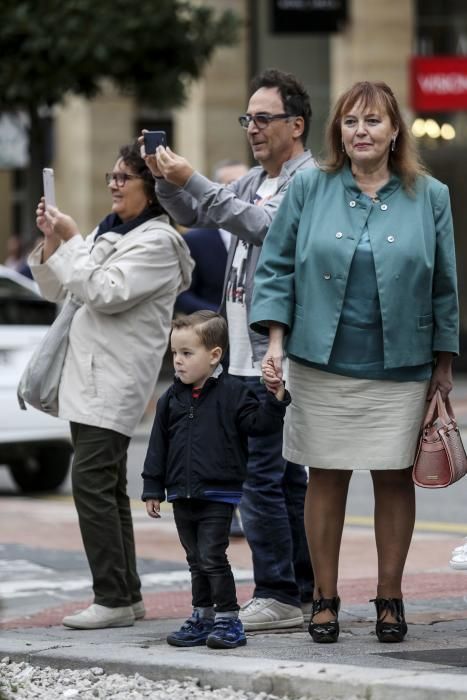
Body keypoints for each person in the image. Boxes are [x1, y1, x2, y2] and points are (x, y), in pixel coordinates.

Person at [250, 80, 459, 644]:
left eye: (373, 121)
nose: (361, 131)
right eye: (350, 121)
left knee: (395, 479)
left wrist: (443, 365)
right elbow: (276, 269)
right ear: (338, 130)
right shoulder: (310, 188)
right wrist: (274, 343)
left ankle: (390, 597)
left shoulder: (430, 195)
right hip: (320, 359)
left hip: (403, 362)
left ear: (395, 131)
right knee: (326, 477)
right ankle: (323, 597)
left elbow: (444, 285)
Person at [141, 68, 316, 631]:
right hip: (238, 352)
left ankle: (278, 592)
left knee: (261, 479)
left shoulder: (308, 180)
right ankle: (300, 588)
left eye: (264, 118)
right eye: (248, 118)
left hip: (273, 354)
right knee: (283, 479)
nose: (253, 128)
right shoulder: (252, 180)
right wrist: (166, 179)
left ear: (297, 124)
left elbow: (264, 227)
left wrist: (195, 178)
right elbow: (194, 214)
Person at [30, 142, 194, 630]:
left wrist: (75, 237)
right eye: (112, 176)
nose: (115, 185)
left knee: (91, 482)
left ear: (153, 189)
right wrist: (55, 242)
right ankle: (124, 594)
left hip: (113, 379)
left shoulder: (158, 242)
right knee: (101, 484)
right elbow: (55, 289)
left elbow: (104, 292)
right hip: (89, 377)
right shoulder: (112, 232)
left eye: (125, 178)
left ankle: (113, 597)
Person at [141, 310, 290, 648]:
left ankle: (228, 620)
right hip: (182, 493)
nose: (177, 362)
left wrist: (275, 397)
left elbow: (260, 426)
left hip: (218, 493)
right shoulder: (170, 399)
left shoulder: (234, 393)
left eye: (186, 353)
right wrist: (153, 487)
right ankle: (201, 616)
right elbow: (157, 446)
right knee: (195, 560)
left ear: (214, 355)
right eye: (175, 353)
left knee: (212, 556)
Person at [175, 159, 249, 539]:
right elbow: (182, 289)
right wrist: (214, 317)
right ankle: (220, 508)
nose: (233, 192)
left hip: (251, 350)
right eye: (225, 185)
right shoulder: (198, 239)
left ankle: (248, 509)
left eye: (240, 184)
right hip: (211, 348)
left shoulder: (257, 233)